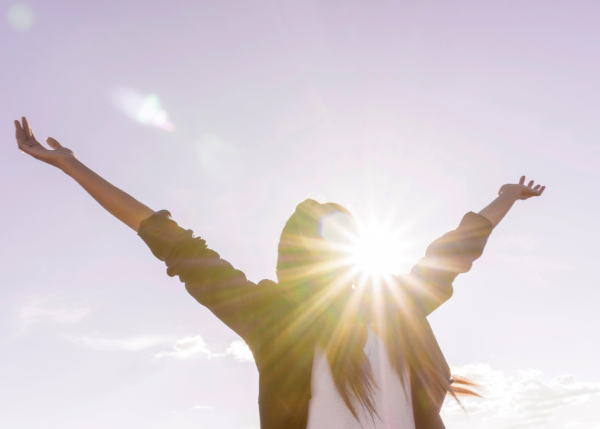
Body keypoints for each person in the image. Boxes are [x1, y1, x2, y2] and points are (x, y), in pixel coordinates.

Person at [14, 117, 545, 429]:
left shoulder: (394, 305)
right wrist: (71, 165)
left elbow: (459, 247)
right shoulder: (274, 317)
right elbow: (165, 238)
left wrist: (504, 197)